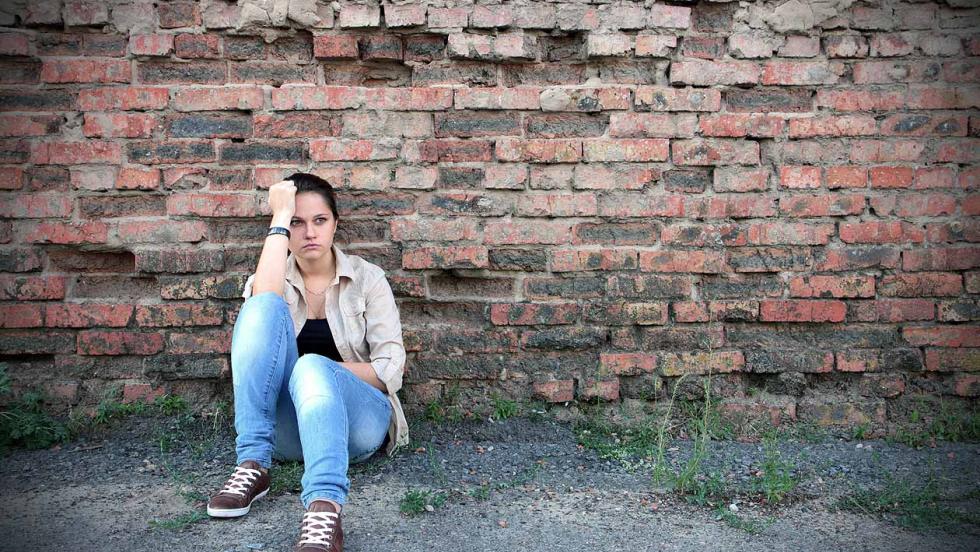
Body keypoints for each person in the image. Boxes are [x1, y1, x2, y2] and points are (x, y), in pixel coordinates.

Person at [206, 172, 409, 552]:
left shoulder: (368, 279)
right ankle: (252, 465)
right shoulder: (272, 275)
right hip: (289, 431)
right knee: (262, 306)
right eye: (296, 222)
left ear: (335, 224)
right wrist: (278, 218)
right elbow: (259, 318)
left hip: (358, 426)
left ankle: (324, 507)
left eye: (320, 220)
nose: (309, 232)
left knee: (311, 366)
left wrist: (315, 373)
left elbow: (390, 369)